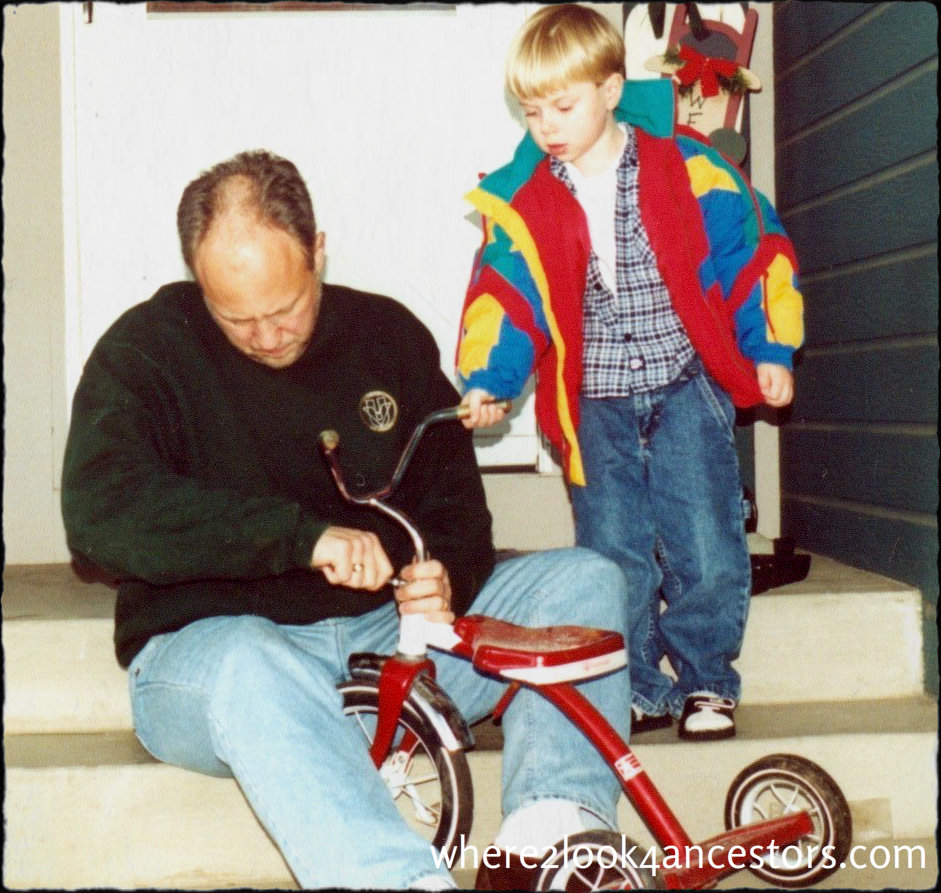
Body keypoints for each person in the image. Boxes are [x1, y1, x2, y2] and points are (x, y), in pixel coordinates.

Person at [61, 149, 631, 891]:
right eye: (236, 318)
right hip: (217, 656)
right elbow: (99, 510)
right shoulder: (144, 350)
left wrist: (444, 576)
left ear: (318, 251)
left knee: (585, 581)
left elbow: (456, 507)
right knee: (249, 661)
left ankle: (548, 844)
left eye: (285, 309)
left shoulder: (385, 334)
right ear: (198, 278)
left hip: (388, 650)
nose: (267, 336)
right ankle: (401, 882)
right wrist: (300, 538)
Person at [457, 5, 803, 742]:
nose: (546, 126)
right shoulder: (525, 201)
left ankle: (706, 679)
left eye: (563, 106)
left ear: (611, 90)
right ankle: (639, 684)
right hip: (594, 400)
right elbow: (506, 297)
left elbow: (752, 252)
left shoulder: (687, 167)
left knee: (703, 535)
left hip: (684, 382)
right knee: (612, 547)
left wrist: (769, 350)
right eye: (531, 111)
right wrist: (488, 380)